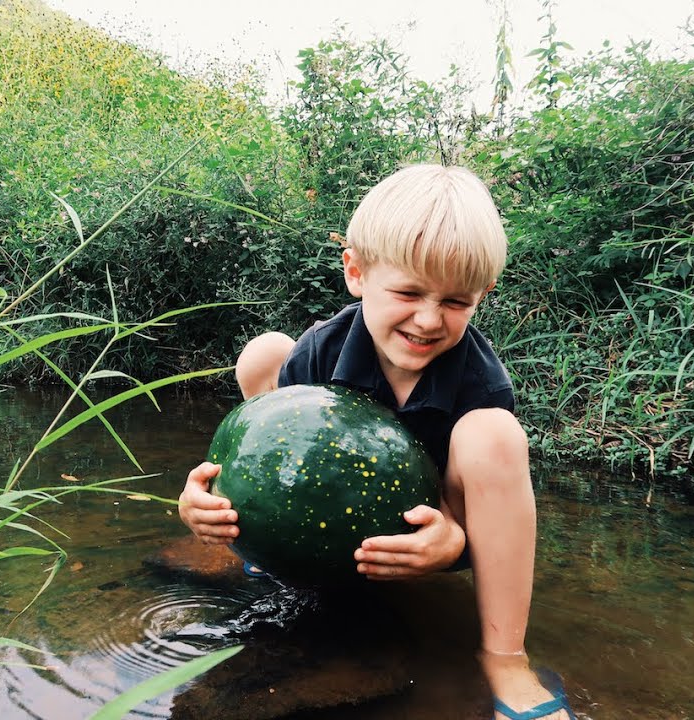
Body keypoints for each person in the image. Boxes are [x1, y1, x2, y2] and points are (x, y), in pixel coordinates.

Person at [177, 164, 575, 720]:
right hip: (323, 515)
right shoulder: (319, 349)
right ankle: (268, 552)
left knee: (495, 433)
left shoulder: (480, 382)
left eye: (457, 302)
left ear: (483, 296)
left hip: (429, 524)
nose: (430, 319)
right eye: (408, 292)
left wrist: (452, 544)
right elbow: (275, 456)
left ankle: (505, 655)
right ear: (357, 273)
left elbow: (474, 506)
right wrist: (206, 500)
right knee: (264, 353)